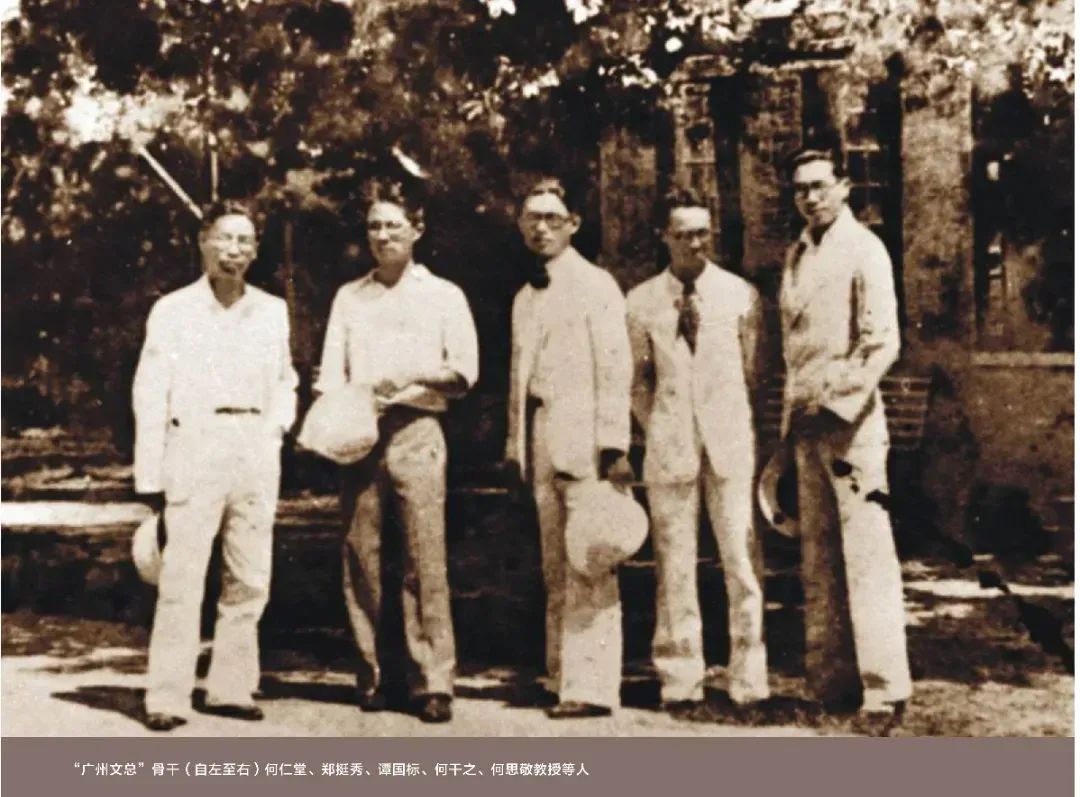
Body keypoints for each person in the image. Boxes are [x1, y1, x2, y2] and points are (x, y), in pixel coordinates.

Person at [316, 179, 479, 724]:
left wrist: (411, 375)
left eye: (393, 225)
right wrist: (346, 413)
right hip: (359, 428)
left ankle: (432, 680)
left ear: (417, 230)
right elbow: (330, 375)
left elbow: (464, 372)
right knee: (359, 553)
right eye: (374, 226)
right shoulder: (349, 297)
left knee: (423, 554)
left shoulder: (444, 295)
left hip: (417, 429)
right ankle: (372, 674)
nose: (383, 235)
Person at [132, 200, 298, 731]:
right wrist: (150, 477)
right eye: (225, 238)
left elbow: (285, 380)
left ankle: (231, 686)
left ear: (256, 250)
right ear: (203, 242)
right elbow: (150, 393)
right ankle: (167, 696)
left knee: (249, 575)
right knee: (182, 576)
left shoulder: (271, 310)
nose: (234, 250)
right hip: (194, 445)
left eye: (245, 240)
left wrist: (276, 428)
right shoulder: (173, 310)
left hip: (255, 447)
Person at [779, 145, 912, 728]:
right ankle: (831, 683)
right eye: (801, 188)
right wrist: (797, 415)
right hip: (806, 427)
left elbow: (882, 341)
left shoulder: (865, 249)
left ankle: (884, 690)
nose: (810, 197)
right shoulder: (798, 253)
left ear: (843, 188)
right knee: (818, 558)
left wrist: (835, 404)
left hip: (850, 428)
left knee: (866, 555)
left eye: (819, 185)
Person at [627, 187, 770, 711]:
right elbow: (637, 381)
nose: (694, 243)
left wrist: (727, 421)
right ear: (664, 237)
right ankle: (679, 676)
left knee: (742, 560)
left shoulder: (740, 295)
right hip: (670, 446)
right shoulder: (640, 302)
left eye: (702, 233)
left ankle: (749, 679)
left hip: (730, 443)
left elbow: (753, 373)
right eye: (683, 234)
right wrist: (662, 425)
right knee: (674, 563)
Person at [504, 176, 634, 718]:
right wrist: (515, 444)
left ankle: (593, 686)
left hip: (586, 440)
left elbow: (615, 366)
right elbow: (520, 377)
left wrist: (613, 445)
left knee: (590, 558)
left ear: (573, 224)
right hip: (542, 435)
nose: (541, 228)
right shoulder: (526, 294)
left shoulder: (596, 285)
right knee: (553, 562)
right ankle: (560, 674)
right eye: (532, 218)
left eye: (552, 219)